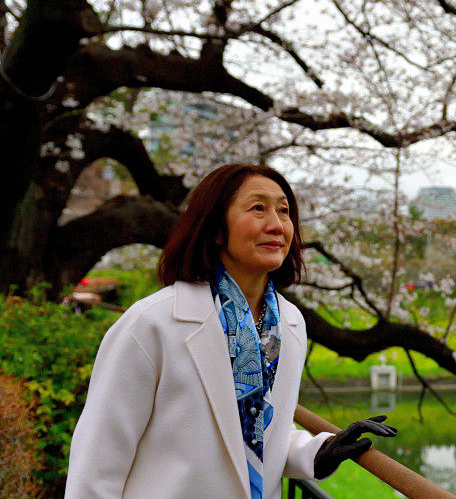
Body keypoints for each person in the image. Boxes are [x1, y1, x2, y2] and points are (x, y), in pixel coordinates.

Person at [65, 164, 396, 499]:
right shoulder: (151, 324)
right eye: (258, 208)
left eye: (284, 211)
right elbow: (96, 464)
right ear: (216, 229)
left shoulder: (290, 324)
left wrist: (315, 452)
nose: (277, 225)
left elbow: (257, 427)